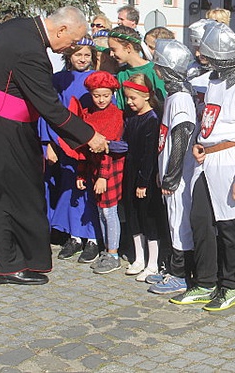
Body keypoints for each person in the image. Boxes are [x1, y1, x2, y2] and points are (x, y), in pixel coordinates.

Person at [0, 6, 109, 285]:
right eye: (72, 41)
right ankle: (8, 265)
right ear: (61, 29)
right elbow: (50, 107)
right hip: (2, 126)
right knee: (9, 195)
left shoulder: (17, 26)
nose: (70, 47)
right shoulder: (32, 53)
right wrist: (89, 136)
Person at [170, 22, 235, 312]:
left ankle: (231, 284)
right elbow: (210, 119)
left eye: (208, 53)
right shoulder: (214, 79)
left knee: (230, 228)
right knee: (200, 221)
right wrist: (200, 142)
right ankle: (205, 282)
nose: (203, 56)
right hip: (207, 160)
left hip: (231, 160)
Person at [40, 39, 102, 264]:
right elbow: (49, 111)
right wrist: (50, 143)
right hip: (65, 144)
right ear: (69, 56)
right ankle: (74, 235)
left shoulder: (98, 80)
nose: (82, 59)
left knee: (89, 192)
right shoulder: (59, 79)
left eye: (86, 55)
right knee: (70, 190)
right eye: (78, 55)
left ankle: (93, 237)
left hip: (90, 145)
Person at [149, 39, 198, 295]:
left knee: (180, 222)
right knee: (173, 220)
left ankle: (181, 274)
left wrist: (171, 176)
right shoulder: (173, 96)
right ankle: (174, 268)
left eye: (159, 68)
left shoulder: (180, 98)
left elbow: (182, 134)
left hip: (178, 177)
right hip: (169, 172)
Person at [75, 71, 126, 274]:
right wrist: (81, 173)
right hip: (94, 168)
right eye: (97, 95)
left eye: (105, 95)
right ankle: (107, 250)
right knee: (100, 211)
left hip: (110, 168)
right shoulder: (89, 114)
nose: (101, 99)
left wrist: (104, 176)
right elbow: (83, 149)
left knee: (109, 211)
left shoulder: (115, 115)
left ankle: (113, 253)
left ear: (112, 93)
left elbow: (107, 148)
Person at [120, 73, 165, 282]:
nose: (129, 102)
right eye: (127, 98)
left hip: (144, 176)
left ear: (146, 96)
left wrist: (143, 182)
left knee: (148, 218)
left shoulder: (152, 119)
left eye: (133, 98)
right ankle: (139, 257)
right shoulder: (131, 118)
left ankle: (153, 261)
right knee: (133, 216)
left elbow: (149, 154)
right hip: (130, 172)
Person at [106, 27, 166, 110]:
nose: (111, 54)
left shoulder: (154, 71)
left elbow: (163, 102)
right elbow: (121, 107)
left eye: (113, 49)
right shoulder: (121, 74)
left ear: (128, 48)